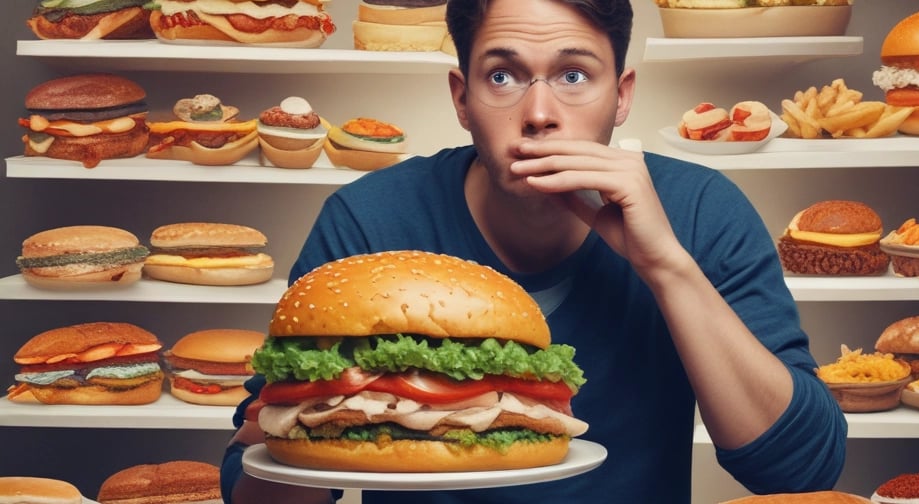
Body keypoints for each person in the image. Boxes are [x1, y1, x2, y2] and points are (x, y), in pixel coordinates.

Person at [221, 0, 848, 502]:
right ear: (462, 98)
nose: (540, 113)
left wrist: (666, 267)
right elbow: (256, 484)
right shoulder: (369, 220)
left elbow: (801, 470)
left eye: (574, 76)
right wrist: (301, 423)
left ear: (622, 95)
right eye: (502, 75)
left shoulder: (701, 211)